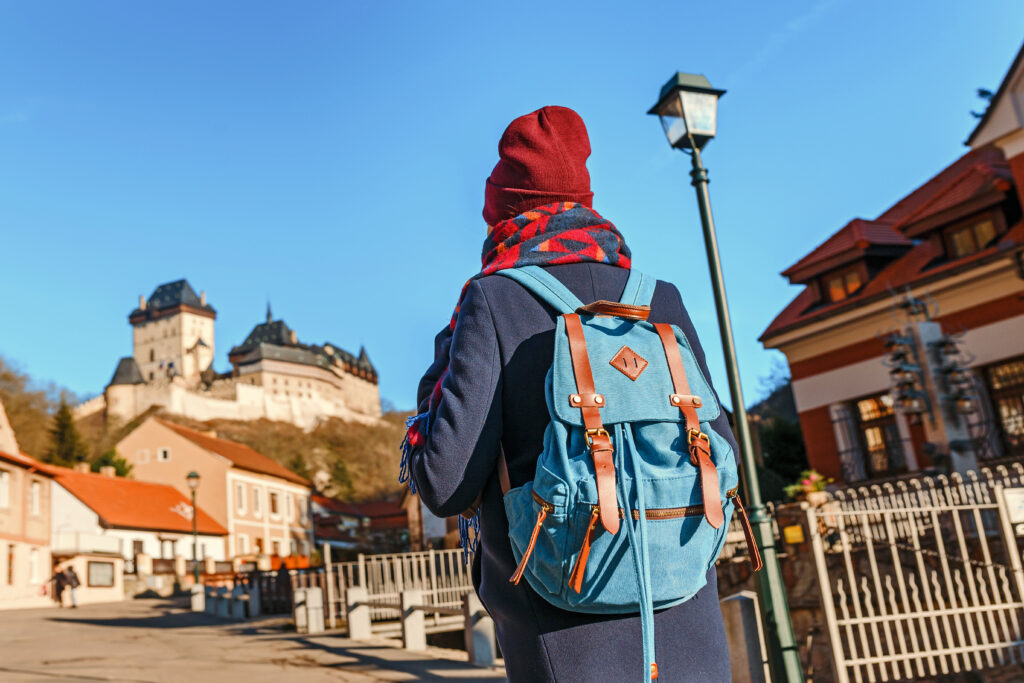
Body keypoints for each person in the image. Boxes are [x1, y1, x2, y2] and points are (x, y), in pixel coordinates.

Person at [406, 106, 733, 682]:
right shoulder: (660, 300)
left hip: (565, 628)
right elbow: (722, 447)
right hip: (685, 610)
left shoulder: (492, 301)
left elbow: (445, 483)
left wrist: (439, 370)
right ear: (585, 201)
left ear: (501, 210)